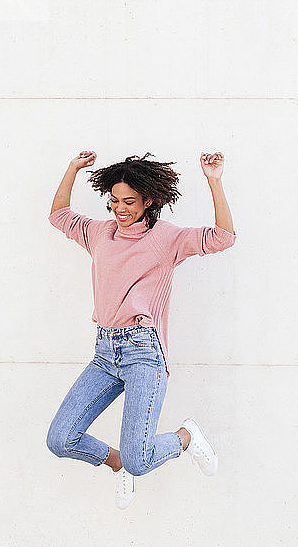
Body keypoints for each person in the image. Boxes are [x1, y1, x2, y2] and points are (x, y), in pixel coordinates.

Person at [46, 151, 236, 509]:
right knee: (60, 439)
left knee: (142, 459)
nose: (120, 208)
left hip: (143, 353)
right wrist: (71, 167)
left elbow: (224, 236)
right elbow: (59, 215)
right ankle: (118, 463)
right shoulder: (99, 233)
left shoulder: (167, 239)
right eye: (114, 201)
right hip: (104, 353)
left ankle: (185, 437)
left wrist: (214, 180)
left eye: (129, 202)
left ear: (148, 200)